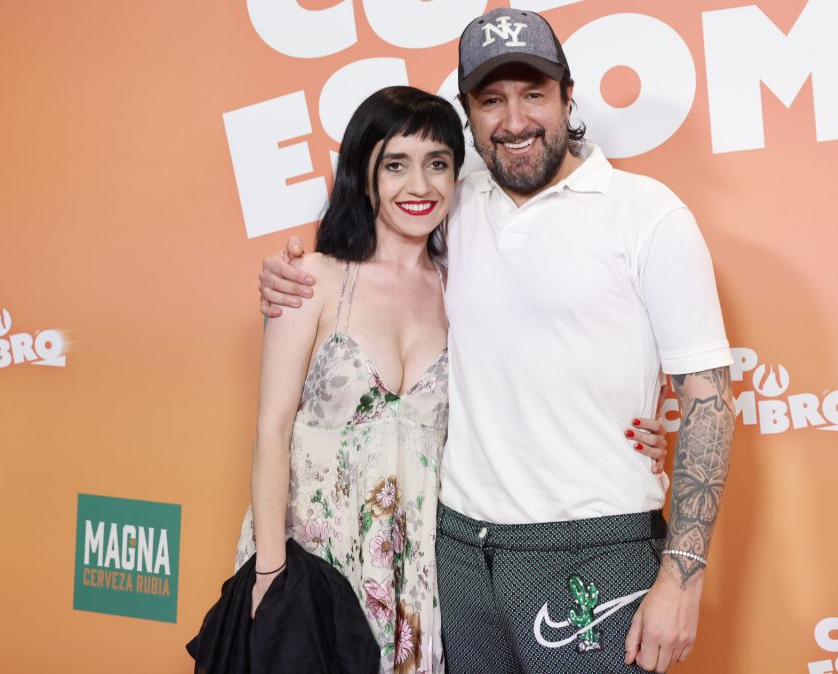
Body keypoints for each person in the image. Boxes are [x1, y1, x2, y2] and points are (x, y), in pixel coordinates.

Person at [258, 8, 731, 674]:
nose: (514, 120)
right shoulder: (452, 205)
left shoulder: (648, 213)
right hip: (455, 552)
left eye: (533, 94)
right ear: (468, 114)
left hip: (595, 545)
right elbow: (374, 252)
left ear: (568, 97)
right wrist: (288, 273)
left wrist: (683, 575)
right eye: (490, 101)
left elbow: (708, 398)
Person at [234, 85, 466, 674]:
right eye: (396, 165)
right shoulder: (311, 280)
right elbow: (271, 430)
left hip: (416, 576)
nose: (420, 186)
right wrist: (270, 573)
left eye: (438, 163)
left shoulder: (463, 291)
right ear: (364, 175)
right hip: (313, 562)